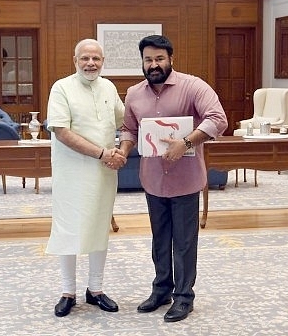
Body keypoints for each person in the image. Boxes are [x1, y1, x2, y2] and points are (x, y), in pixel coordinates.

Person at [118, 34, 228, 323]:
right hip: (153, 179)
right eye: (148, 59)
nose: (154, 64)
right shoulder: (133, 94)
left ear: (170, 59)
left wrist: (186, 143)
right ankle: (161, 290)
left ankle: (183, 297)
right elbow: (129, 129)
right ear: (142, 62)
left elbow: (217, 119)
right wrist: (122, 150)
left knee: (184, 242)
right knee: (160, 239)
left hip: (186, 179)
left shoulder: (193, 86)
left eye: (159, 59)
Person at [45, 38, 127, 317]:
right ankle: (68, 291)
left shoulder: (109, 87)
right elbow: (62, 132)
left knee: (98, 224)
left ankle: (96, 289)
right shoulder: (61, 88)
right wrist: (102, 152)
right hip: (71, 170)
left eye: (96, 59)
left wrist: (117, 151)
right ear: (75, 60)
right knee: (68, 228)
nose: (91, 63)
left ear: (103, 62)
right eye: (85, 58)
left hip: (102, 171)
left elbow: (122, 120)